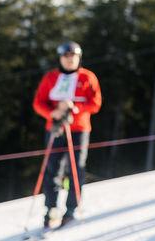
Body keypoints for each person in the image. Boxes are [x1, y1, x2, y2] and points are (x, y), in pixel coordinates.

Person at [31, 41, 102, 229]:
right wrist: (52, 113)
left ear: (79, 58)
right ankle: (51, 209)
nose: (70, 60)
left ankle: (71, 209)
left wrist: (76, 108)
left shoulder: (87, 77)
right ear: (61, 58)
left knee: (76, 169)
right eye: (66, 57)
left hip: (79, 129)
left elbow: (95, 103)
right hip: (55, 129)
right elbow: (38, 103)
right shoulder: (51, 77)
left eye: (73, 57)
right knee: (52, 169)